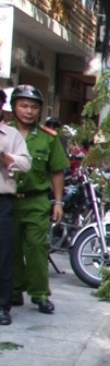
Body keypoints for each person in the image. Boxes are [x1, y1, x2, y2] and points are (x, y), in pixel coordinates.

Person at [9, 85, 69, 314]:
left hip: (36, 201)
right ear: (14, 107)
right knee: (9, 247)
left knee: (36, 247)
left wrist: (58, 202)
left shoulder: (48, 138)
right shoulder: (5, 132)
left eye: (34, 107)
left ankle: (39, 294)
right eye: (23, 106)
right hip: (8, 200)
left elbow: (57, 172)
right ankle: (13, 291)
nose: (28, 111)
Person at [0, 90, 31, 326]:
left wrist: (6, 158)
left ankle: (2, 306)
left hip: (3, 201)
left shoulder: (10, 135)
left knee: (4, 255)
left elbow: (25, 163)